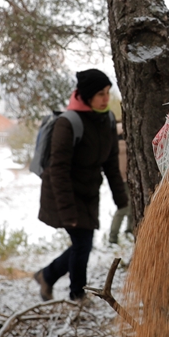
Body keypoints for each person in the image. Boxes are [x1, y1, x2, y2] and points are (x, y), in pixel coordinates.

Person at [33, 70, 128, 302]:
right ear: (86, 96)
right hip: (62, 192)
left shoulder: (106, 119)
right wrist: (67, 211)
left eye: (107, 93)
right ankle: (77, 294)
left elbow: (111, 164)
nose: (105, 98)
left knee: (83, 244)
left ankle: (47, 275)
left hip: (88, 192)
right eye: (99, 94)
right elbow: (58, 170)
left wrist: (121, 199)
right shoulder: (68, 123)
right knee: (83, 243)